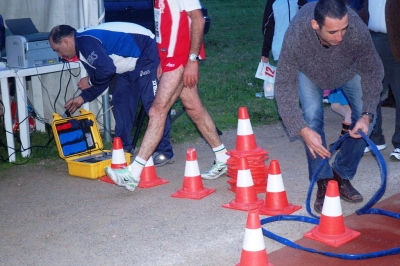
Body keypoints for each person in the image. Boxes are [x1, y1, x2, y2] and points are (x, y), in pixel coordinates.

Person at [104, 0, 230, 191]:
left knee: (157, 110)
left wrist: (192, 60)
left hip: (181, 57)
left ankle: (133, 173)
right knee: (194, 108)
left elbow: (198, 19)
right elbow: (163, 25)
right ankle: (223, 158)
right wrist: (162, 58)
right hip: (170, 58)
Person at [274, 0, 384, 213]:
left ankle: (341, 174)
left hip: (348, 71)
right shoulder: (297, 32)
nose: (340, 37)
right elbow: (284, 84)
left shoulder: (356, 28)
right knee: (312, 118)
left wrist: (367, 114)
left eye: (344, 29)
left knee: (367, 119)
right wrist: (302, 129)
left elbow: (373, 70)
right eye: (333, 32)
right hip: (310, 73)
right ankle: (323, 180)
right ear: (315, 25)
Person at [48, 22, 175, 167]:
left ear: (65, 41)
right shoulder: (82, 48)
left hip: (146, 51)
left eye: (57, 50)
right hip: (127, 65)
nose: (59, 54)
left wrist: (89, 81)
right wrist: (82, 98)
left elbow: (106, 70)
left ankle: (165, 151)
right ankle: (123, 148)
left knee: (153, 105)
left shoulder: (85, 42)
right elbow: (102, 78)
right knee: (121, 102)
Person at [358, 0, 400, 159]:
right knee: (371, 92)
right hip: (373, 41)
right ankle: (375, 138)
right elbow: (365, 11)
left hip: (395, 44)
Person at [260, 0, 307, 99]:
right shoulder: (273, 2)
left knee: (301, 80)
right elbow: (268, 27)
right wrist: (265, 51)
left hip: (300, 46)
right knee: (288, 80)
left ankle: (300, 104)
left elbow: (307, 19)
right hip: (281, 47)